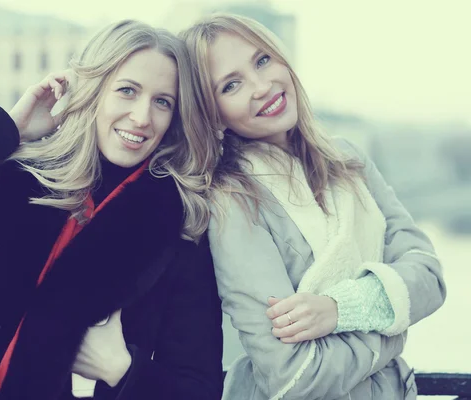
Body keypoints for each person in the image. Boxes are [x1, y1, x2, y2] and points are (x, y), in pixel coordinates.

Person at [0, 20, 223, 400]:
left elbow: (199, 386)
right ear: (94, 92)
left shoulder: (177, 227)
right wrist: (10, 127)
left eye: (163, 101)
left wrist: (122, 369)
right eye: (127, 91)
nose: (143, 117)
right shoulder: (22, 185)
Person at [180, 13, 446, 400]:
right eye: (232, 84)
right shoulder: (233, 200)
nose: (261, 86)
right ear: (211, 111)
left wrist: (340, 309)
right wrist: (394, 328)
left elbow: (430, 277)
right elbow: (294, 377)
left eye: (262, 60)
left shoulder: (348, 160)